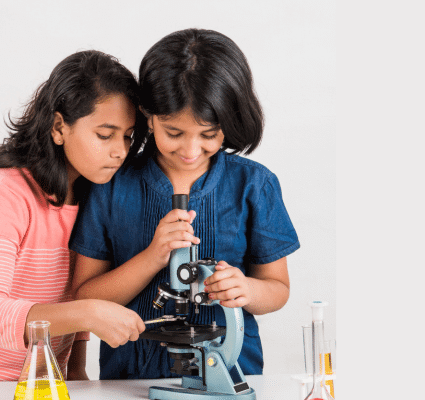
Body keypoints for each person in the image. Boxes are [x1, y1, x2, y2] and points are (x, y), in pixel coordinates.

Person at [69, 29, 300, 379]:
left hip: (233, 371)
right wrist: (152, 258)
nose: (191, 151)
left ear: (232, 120)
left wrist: (246, 288)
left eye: (208, 134)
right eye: (174, 133)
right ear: (148, 115)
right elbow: (84, 294)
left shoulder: (254, 185)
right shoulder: (112, 185)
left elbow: (277, 290)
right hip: (131, 375)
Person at [0, 50, 147, 381]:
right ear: (59, 127)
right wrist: (88, 313)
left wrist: (75, 367)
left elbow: (76, 288)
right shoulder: (4, 193)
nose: (120, 151)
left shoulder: (94, 192)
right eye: (105, 134)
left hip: (43, 378)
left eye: (128, 137)